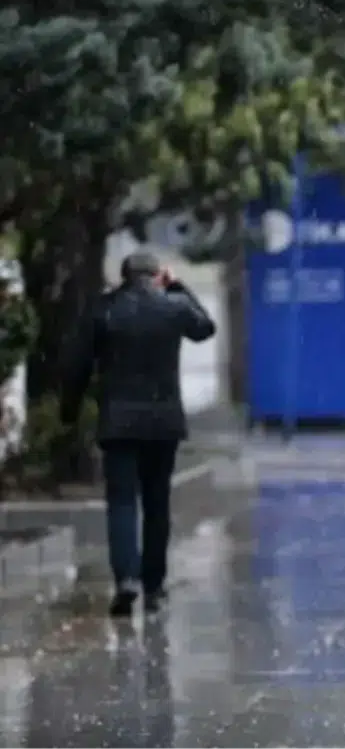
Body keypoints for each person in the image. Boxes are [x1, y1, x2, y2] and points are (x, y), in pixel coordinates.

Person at [62, 251, 216, 617]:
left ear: (124, 276)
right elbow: (205, 328)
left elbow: (78, 364)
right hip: (163, 424)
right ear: (156, 275)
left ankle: (126, 580)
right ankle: (155, 585)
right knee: (157, 503)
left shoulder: (104, 309)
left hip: (118, 423)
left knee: (121, 502)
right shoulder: (175, 306)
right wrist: (177, 285)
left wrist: (70, 411)